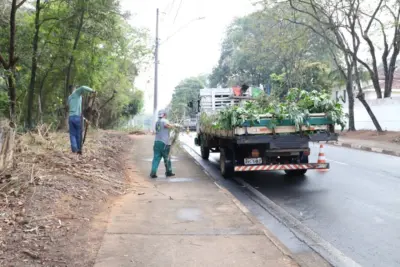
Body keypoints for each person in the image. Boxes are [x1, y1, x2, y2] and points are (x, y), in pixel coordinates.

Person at [67, 85, 96, 154]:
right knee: (78, 134)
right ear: (74, 89)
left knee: (72, 134)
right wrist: (93, 91)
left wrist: (84, 119)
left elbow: (74, 109)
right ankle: (79, 149)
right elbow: (83, 87)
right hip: (77, 117)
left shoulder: (69, 98)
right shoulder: (76, 93)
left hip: (71, 117)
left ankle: (74, 149)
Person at [150, 109, 177, 178]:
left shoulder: (157, 122)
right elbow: (167, 126)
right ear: (164, 115)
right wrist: (175, 125)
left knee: (156, 158)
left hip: (156, 142)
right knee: (167, 158)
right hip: (164, 143)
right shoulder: (164, 121)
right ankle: (168, 172)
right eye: (165, 114)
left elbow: (158, 130)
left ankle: (153, 172)